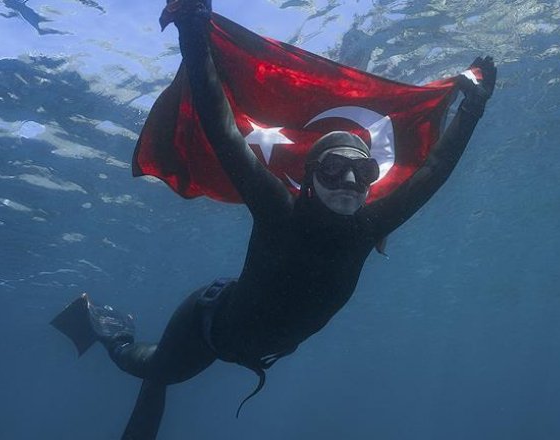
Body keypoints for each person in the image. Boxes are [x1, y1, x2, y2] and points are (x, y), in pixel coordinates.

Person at [51, 1, 496, 438]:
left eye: (363, 172)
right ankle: (106, 328)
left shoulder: (370, 226)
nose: (348, 180)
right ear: (307, 177)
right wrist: (192, 30)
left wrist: (472, 109)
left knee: (159, 378)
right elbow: (222, 130)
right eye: (332, 169)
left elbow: (434, 170)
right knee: (147, 367)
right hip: (204, 327)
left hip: (239, 338)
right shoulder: (278, 209)